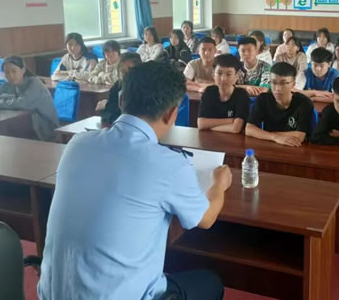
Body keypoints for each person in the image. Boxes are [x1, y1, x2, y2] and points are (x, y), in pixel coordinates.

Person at [38, 61, 230, 300]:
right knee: (210, 282)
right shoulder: (168, 164)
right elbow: (206, 219)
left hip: (52, 293)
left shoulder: (77, 144)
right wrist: (219, 183)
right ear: (172, 113)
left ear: (121, 100)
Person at [0, 56, 58, 141]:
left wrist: (2, 100)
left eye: (14, 71)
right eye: (7, 72)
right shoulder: (8, 84)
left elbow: (21, 103)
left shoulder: (35, 84)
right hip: (26, 124)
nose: (11, 75)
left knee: (9, 131)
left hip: (44, 127)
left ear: (23, 70)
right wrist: (9, 96)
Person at [245, 62, 314, 147]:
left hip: (294, 147)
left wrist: (263, 134)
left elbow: (300, 136)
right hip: (269, 145)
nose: (277, 88)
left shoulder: (304, 103)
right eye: (274, 82)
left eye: (283, 83)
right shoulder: (263, 99)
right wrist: (275, 137)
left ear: (293, 84)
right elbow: (249, 129)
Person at [197, 54, 250, 134]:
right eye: (219, 73)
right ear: (213, 74)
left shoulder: (242, 95)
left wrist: (210, 127)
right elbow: (201, 124)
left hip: (235, 140)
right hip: (210, 139)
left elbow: (236, 128)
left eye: (228, 74)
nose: (223, 79)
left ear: (236, 76)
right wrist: (231, 120)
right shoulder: (209, 92)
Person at [99, 52, 142, 127]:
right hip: (118, 125)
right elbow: (108, 111)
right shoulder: (118, 86)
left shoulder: (145, 88)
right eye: (122, 71)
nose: (126, 74)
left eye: (130, 70)